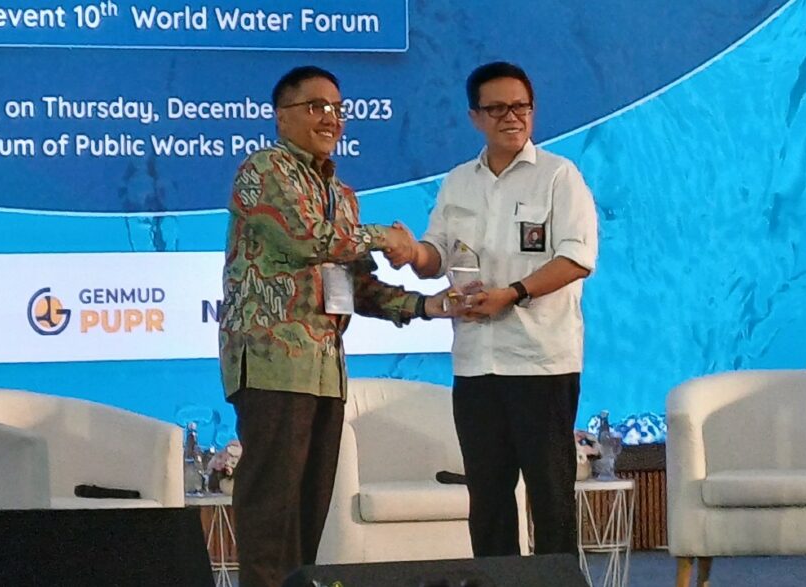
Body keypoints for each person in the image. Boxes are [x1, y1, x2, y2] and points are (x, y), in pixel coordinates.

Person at [218, 65, 448, 587]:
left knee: (308, 522)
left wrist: (429, 306)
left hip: (325, 371)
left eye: (338, 109)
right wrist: (386, 237)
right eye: (316, 106)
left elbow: (355, 285)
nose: (331, 118)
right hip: (274, 364)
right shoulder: (264, 170)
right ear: (282, 116)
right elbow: (308, 239)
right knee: (271, 517)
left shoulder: (342, 195)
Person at [386, 61, 599, 557]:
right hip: (476, 364)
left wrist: (513, 293)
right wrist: (410, 253)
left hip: (540, 362)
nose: (512, 117)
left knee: (551, 499)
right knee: (488, 501)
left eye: (521, 107)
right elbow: (436, 255)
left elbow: (576, 258)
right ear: (475, 117)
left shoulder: (559, 176)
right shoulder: (459, 182)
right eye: (498, 108)